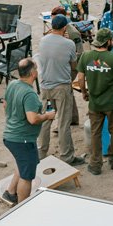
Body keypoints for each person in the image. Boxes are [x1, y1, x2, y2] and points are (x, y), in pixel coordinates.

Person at [1, 58, 56, 205]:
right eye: (36, 69)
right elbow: (32, 119)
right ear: (32, 73)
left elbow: (5, 105)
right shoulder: (29, 94)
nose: (37, 71)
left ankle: (10, 192)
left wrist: (15, 117)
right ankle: (22, 206)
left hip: (10, 135)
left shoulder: (12, 84)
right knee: (27, 175)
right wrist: (47, 116)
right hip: (22, 139)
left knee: (23, 164)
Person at [76, 28, 113, 175]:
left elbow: (80, 78)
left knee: (95, 133)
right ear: (108, 41)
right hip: (111, 103)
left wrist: (85, 93)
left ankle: (96, 164)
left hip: (94, 102)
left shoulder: (86, 56)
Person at [37, 14, 83, 166]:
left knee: (45, 120)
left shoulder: (43, 40)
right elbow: (74, 64)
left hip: (45, 87)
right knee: (63, 122)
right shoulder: (69, 44)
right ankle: (67, 156)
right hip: (61, 88)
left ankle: (41, 152)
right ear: (64, 28)